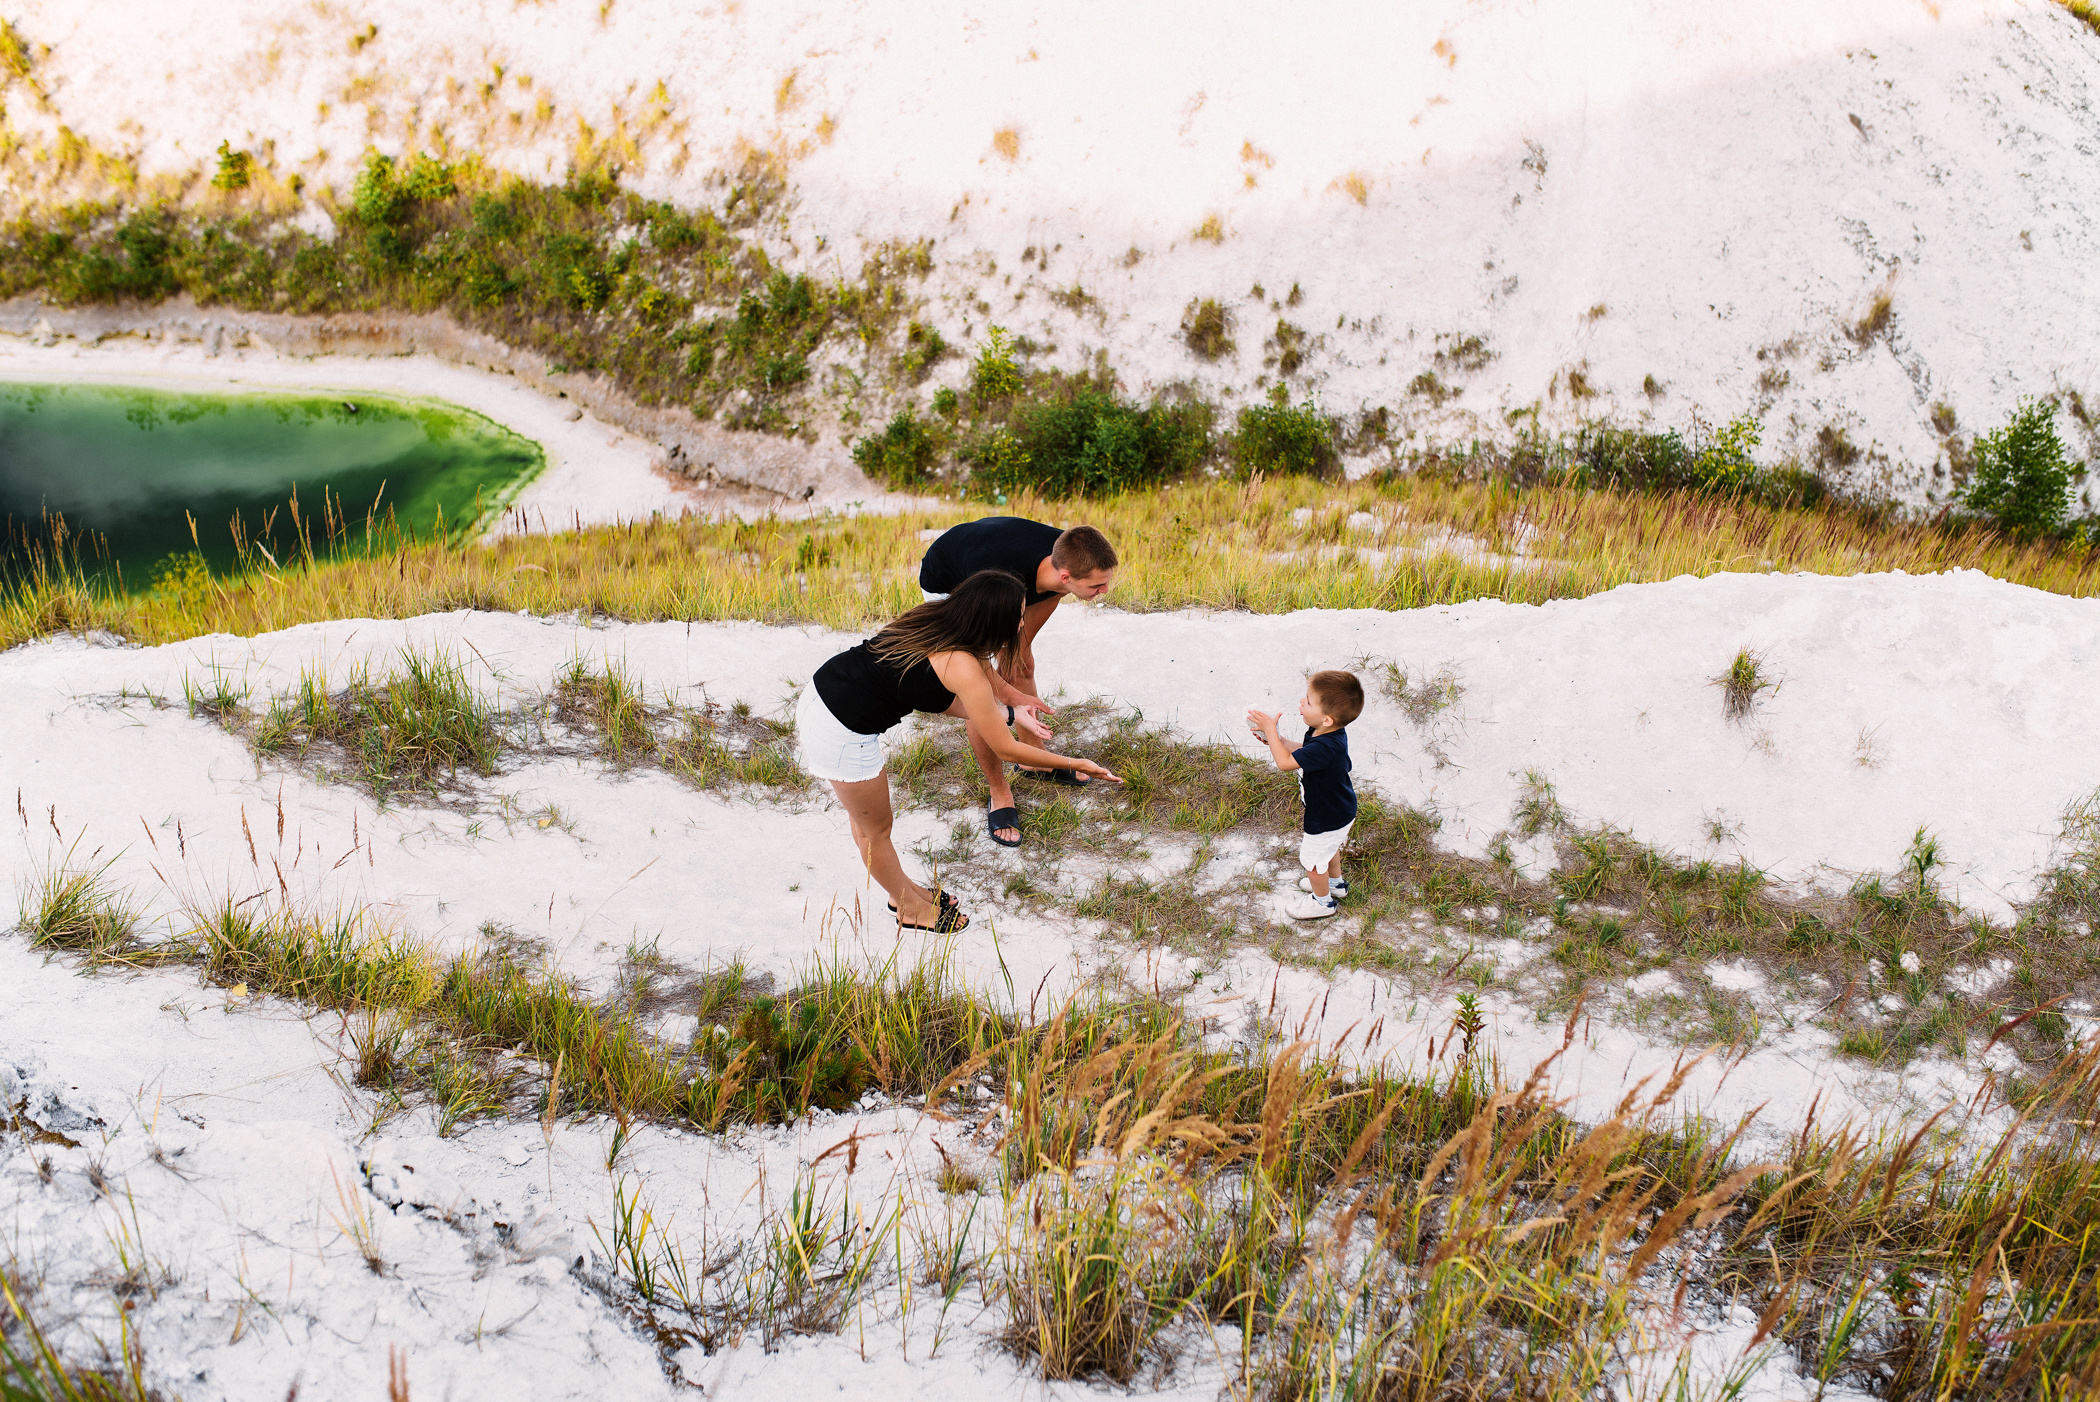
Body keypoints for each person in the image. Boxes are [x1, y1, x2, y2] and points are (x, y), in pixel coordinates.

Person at [799, 569, 1123, 932]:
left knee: (869, 826)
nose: (1020, 624)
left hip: (824, 690)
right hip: (839, 730)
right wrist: (1074, 761)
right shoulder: (961, 663)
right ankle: (908, 908)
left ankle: (902, 890)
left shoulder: (939, 621)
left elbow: (937, 696)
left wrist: (1013, 713)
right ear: (991, 621)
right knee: (874, 831)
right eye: (1016, 616)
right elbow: (1008, 750)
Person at [917, 517, 1118, 845]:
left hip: (1011, 571)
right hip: (953, 579)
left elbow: (1018, 652)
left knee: (1020, 664)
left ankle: (1033, 760)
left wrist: (1012, 673)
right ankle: (999, 791)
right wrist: (997, 687)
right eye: (1097, 586)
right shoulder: (995, 579)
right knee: (978, 690)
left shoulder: (1065, 558)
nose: (1104, 591)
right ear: (1066, 576)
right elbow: (982, 667)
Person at [1247, 670, 1363, 921]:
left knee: (1311, 859)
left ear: (1328, 719)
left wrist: (1271, 730)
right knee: (1329, 849)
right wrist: (1276, 739)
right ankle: (1336, 885)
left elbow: (1285, 763)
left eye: (1309, 702)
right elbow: (1303, 752)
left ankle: (1322, 902)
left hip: (1326, 814)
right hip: (1341, 808)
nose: (1301, 703)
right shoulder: (1328, 735)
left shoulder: (1325, 744)